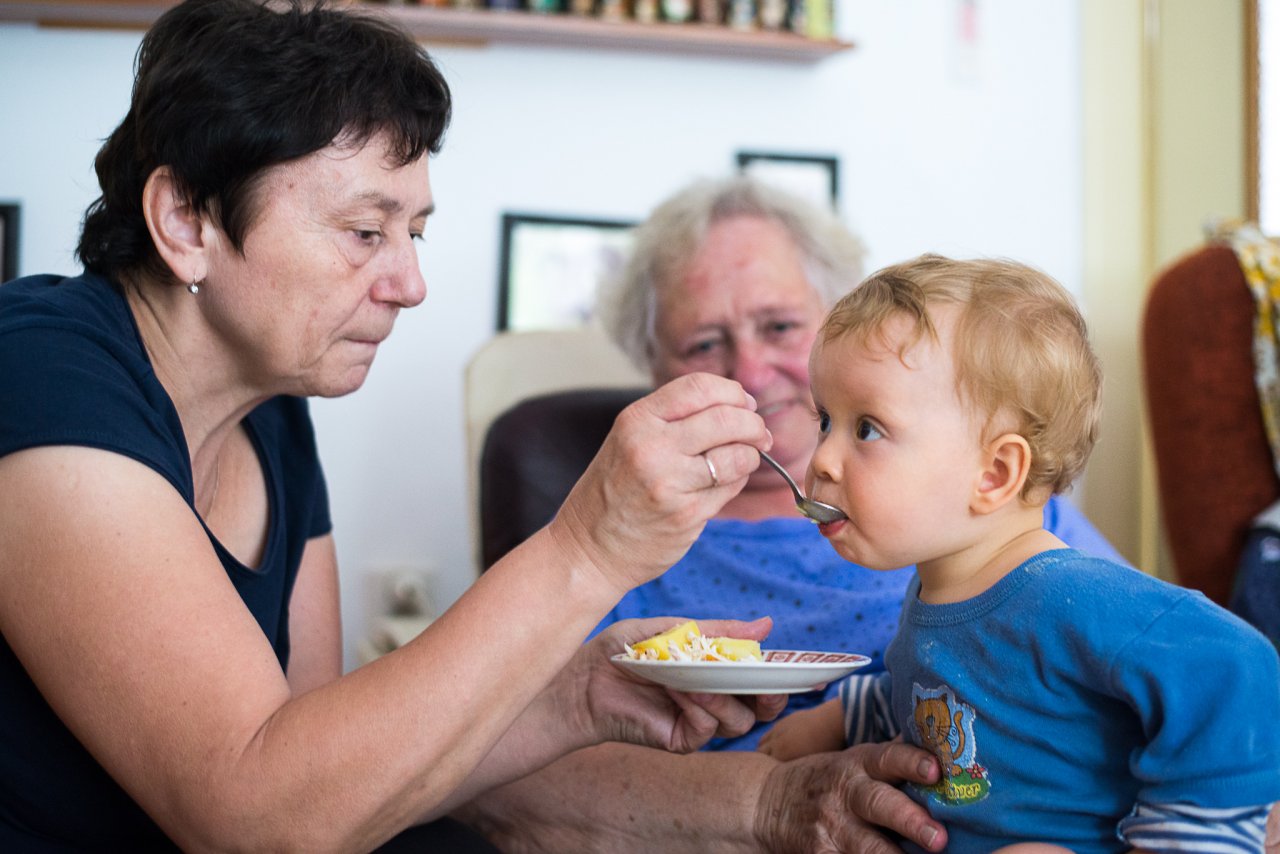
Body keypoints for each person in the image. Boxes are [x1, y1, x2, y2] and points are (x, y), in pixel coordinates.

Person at [0, 1, 790, 849]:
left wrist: (575, 698)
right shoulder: (39, 377)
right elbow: (259, 822)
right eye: (365, 232)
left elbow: (332, 773)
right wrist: (590, 548)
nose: (410, 285)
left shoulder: (269, 409)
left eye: (413, 232)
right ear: (186, 222)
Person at [456, 178, 1122, 851]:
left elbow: (1142, 679)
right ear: (653, 368)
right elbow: (480, 761)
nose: (750, 371)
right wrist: (761, 800)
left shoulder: (998, 504)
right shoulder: (612, 539)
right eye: (703, 344)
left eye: (779, 327)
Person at [757, 254, 1280, 852]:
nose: (822, 459)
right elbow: (939, 700)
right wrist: (841, 718)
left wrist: (1185, 838)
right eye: (826, 420)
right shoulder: (937, 585)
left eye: (867, 429)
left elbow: (1234, 665)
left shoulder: (1071, 596)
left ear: (995, 474)